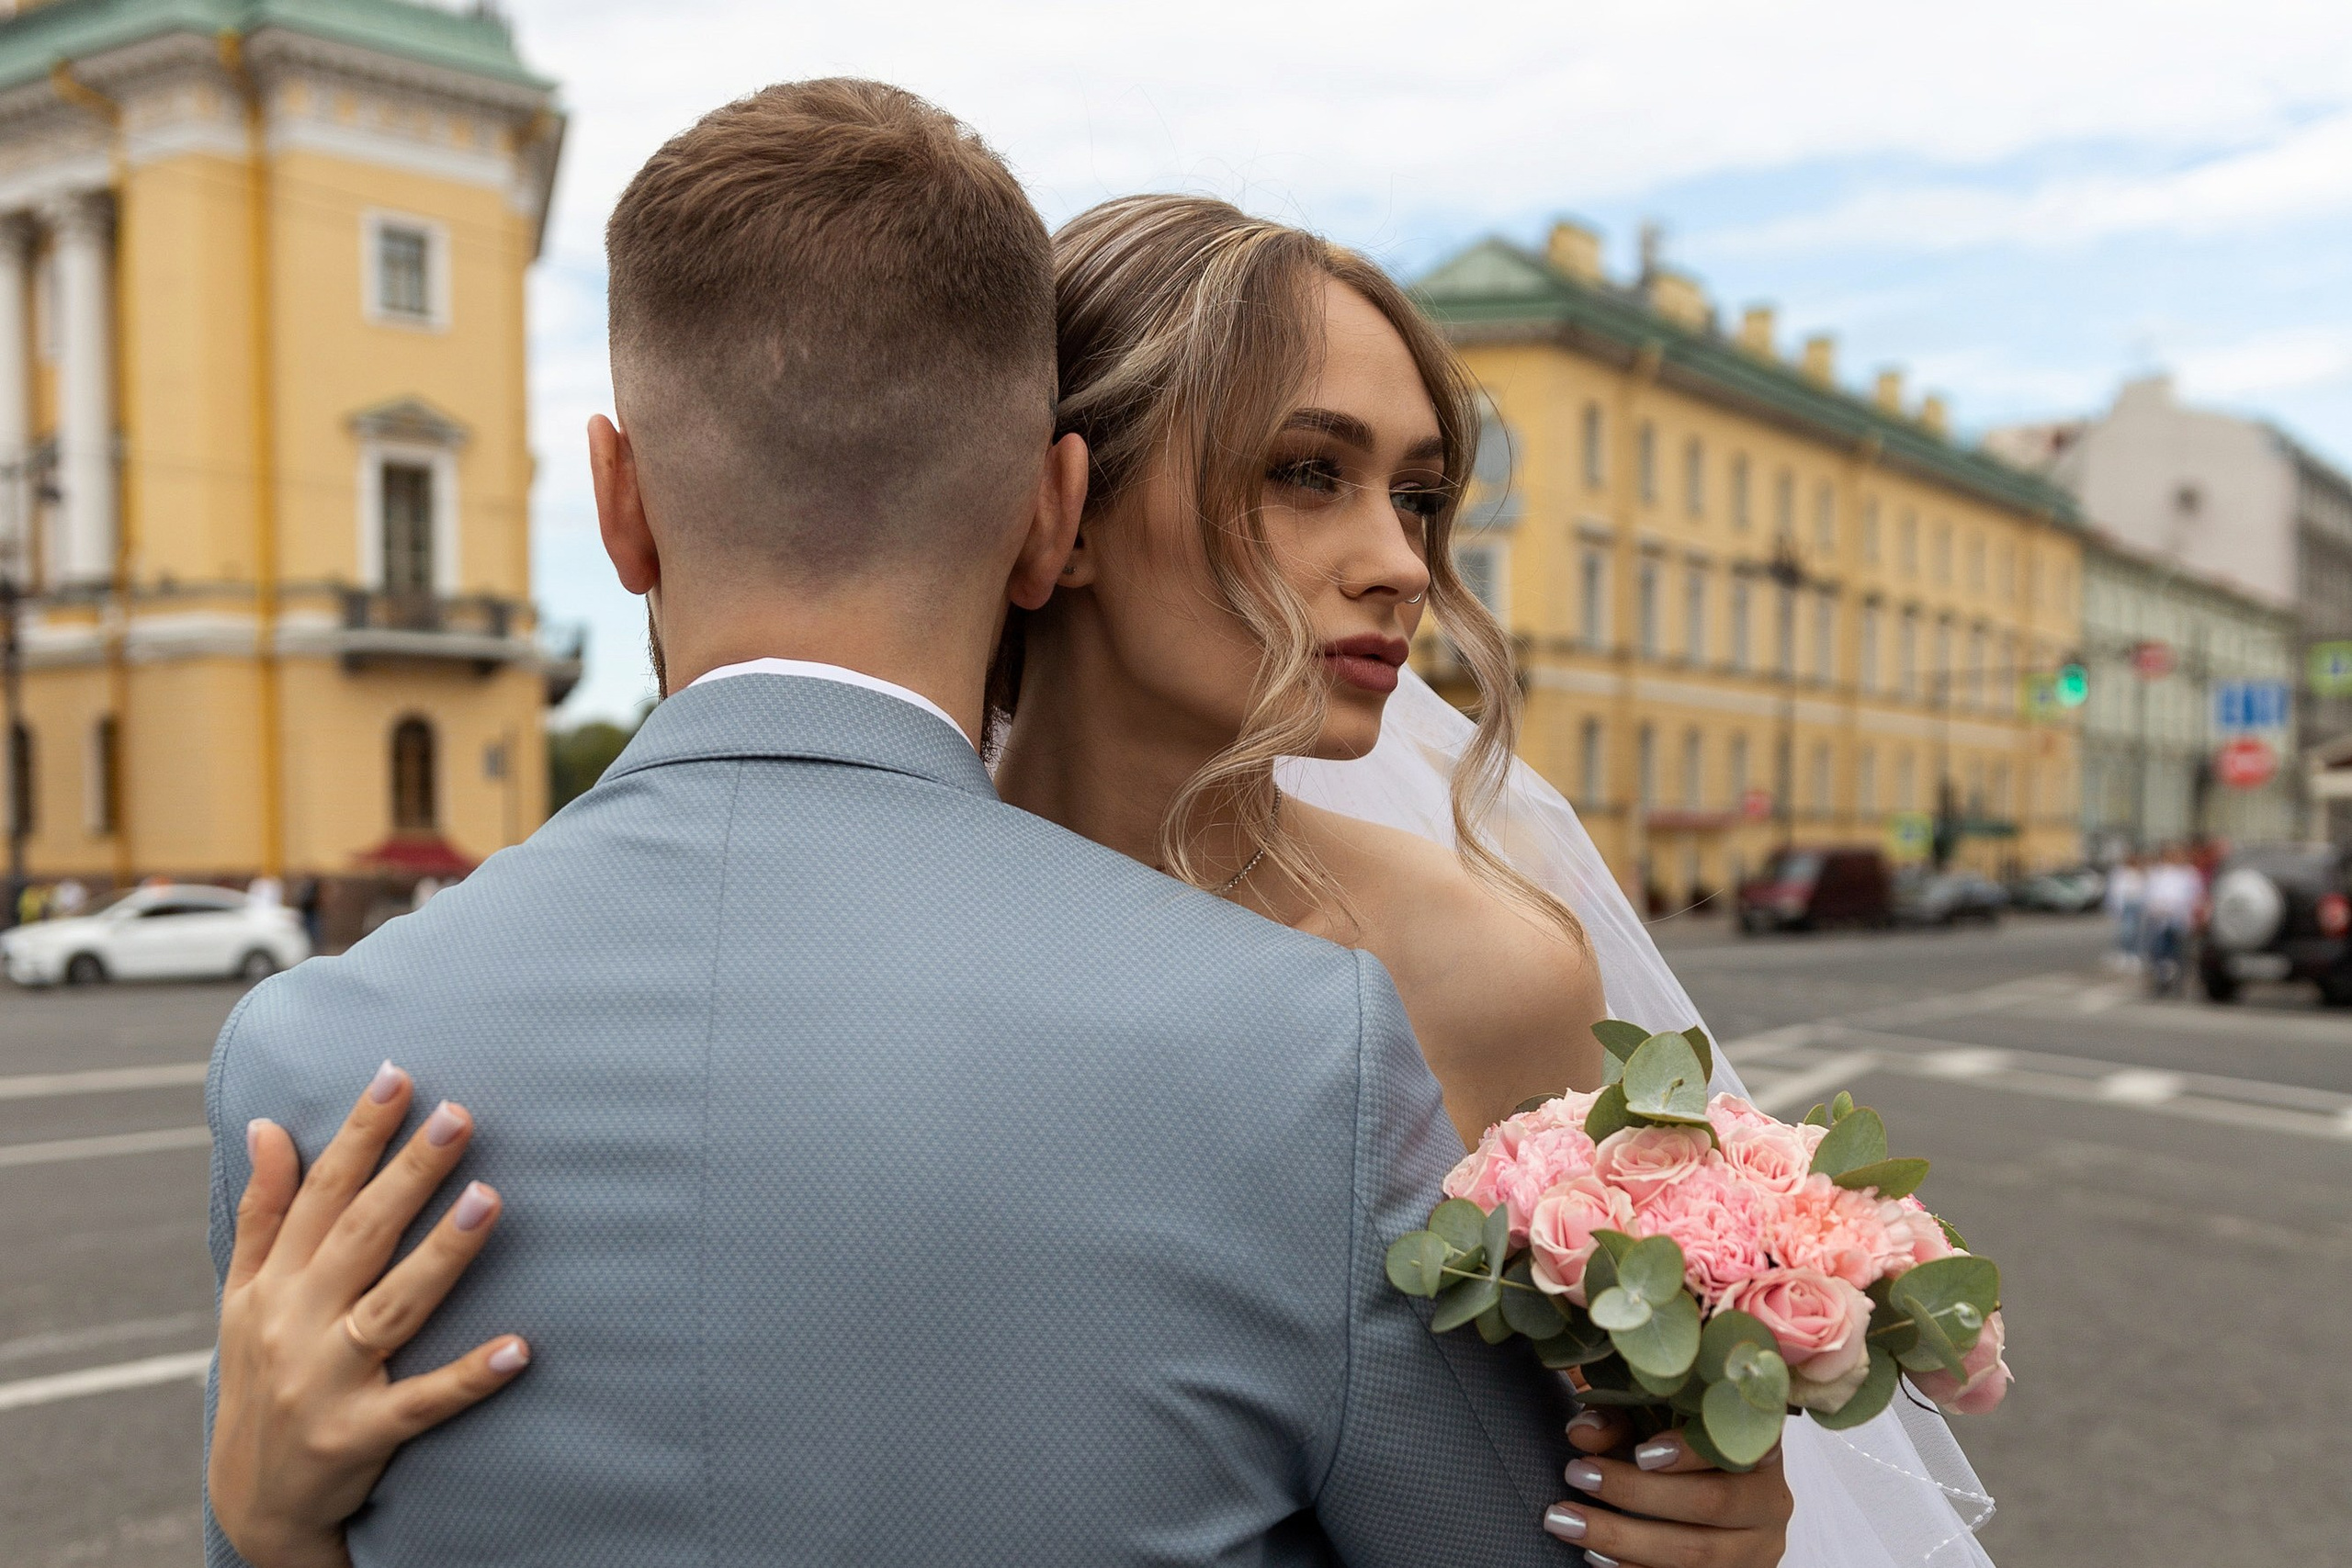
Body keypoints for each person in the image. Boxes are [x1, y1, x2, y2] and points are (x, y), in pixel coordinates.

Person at [203, 84, 1808, 1568]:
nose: (1398, 561)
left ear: (620, 505)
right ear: (1059, 511)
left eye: (1422, 497)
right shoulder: (1303, 1046)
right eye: (1307, 473)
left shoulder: (307, 1047)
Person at [2140, 844, 2204, 995]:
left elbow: (2196, 895)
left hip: (2180, 918)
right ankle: (2161, 981)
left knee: (2180, 954)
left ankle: (2178, 985)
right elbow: (2149, 894)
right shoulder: (2158, 873)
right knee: (2158, 952)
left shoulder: (2189, 873)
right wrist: (2155, 908)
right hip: (2159, 919)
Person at [2103, 852, 2145, 973]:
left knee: (2134, 931)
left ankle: (2133, 954)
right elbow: (2115, 890)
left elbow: (2144, 889)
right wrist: (2114, 906)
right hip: (2126, 904)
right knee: (2126, 931)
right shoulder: (2121, 873)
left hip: (2136, 903)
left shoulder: (2140, 872)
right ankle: (2124, 953)